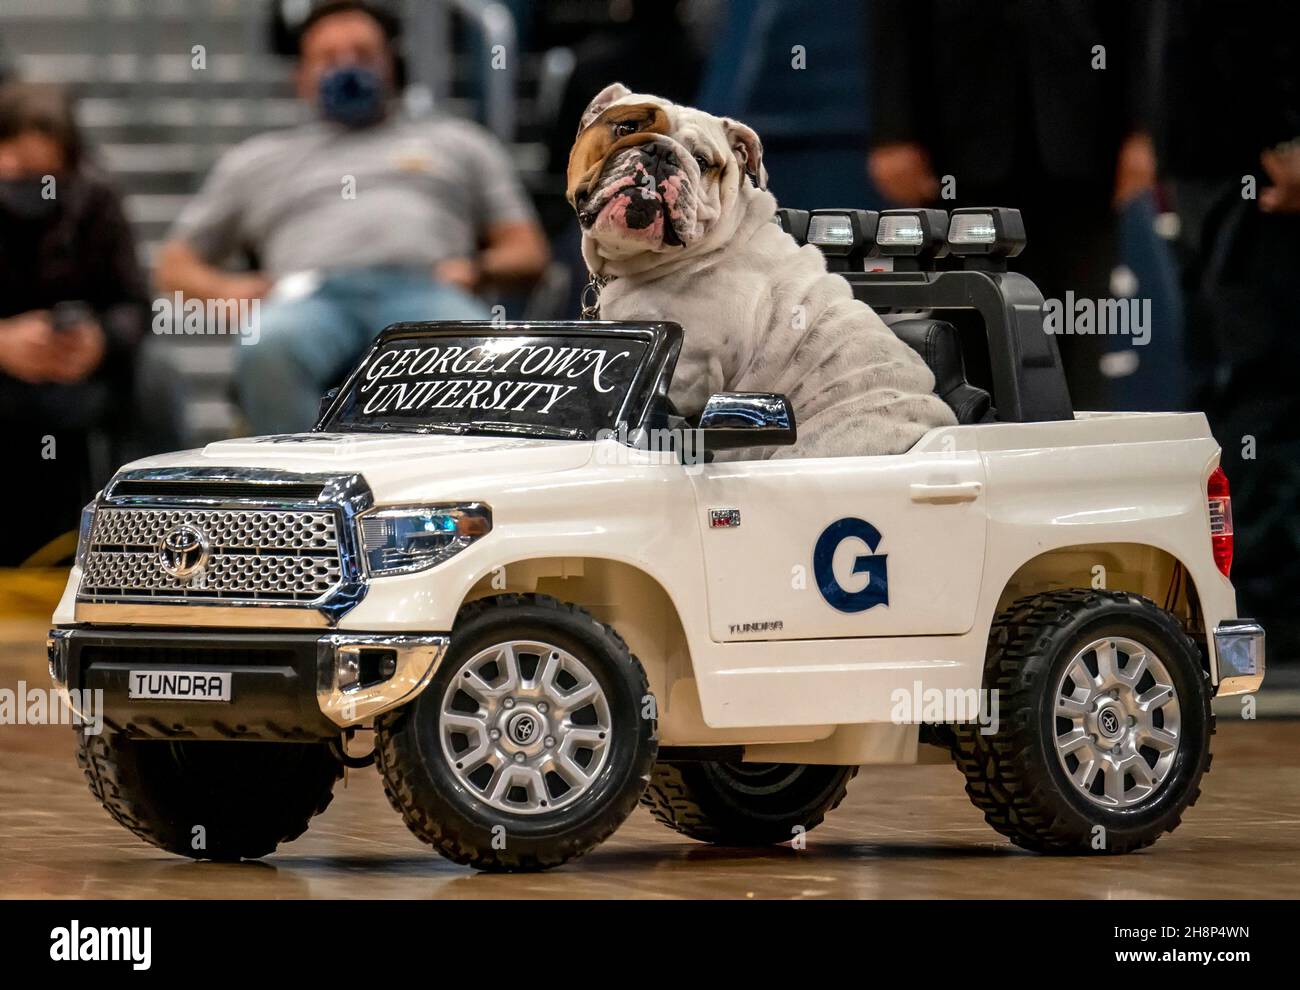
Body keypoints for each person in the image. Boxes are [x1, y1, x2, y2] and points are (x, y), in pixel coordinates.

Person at [155, 0, 549, 435]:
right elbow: (174, 264)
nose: (346, 67)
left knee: (481, 347)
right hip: (309, 300)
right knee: (265, 345)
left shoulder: (459, 143)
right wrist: (230, 291)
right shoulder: (257, 161)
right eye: (327, 58)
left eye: (363, 55)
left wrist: (478, 270)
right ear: (300, 77)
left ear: (393, 65)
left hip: (424, 290)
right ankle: (304, 485)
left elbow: (528, 250)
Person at [867, 0, 1154, 411]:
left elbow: (1140, 17)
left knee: (1078, 326)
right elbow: (892, 15)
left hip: (1085, 137)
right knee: (966, 332)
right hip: (957, 135)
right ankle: (975, 463)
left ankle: (1073, 464)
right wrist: (892, 130)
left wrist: (1143, 129)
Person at [1150, 0, 1300, 662]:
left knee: (1248, 380)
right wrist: (1290, 140)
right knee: (1262, 382)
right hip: (1252, 160)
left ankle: (1257, 612)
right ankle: (1266, 617)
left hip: (1221, 149)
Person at [0, 83, 149, 564]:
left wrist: (98, 341)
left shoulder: (97, 202)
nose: (34, 187)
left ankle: (138, 548)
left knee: (157, 381)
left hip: (80, 373)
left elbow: (135, 305)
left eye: (47, 175)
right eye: (20, 172)